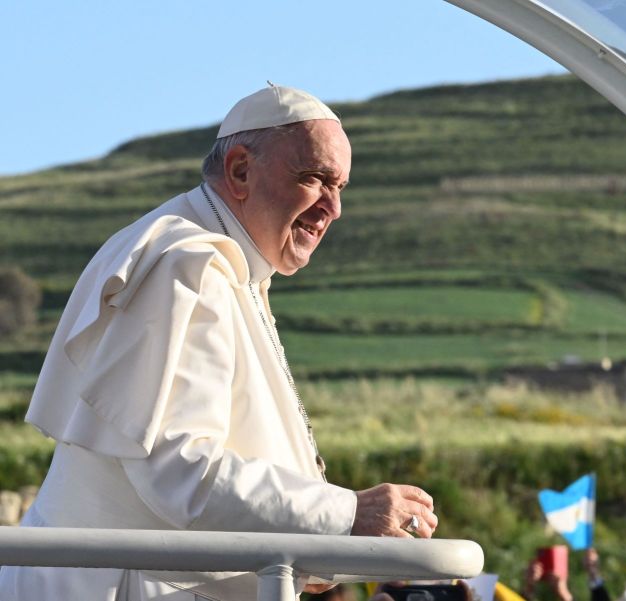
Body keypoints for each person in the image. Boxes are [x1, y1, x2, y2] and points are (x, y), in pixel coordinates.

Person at [0, 84, 438, 601]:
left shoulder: (228, 265)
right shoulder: (187, 264)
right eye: (315, 178)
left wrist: (322, 547)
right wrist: (345, 515)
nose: (333, 208)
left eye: (340, 186)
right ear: (239, 171)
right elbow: (181, 469)